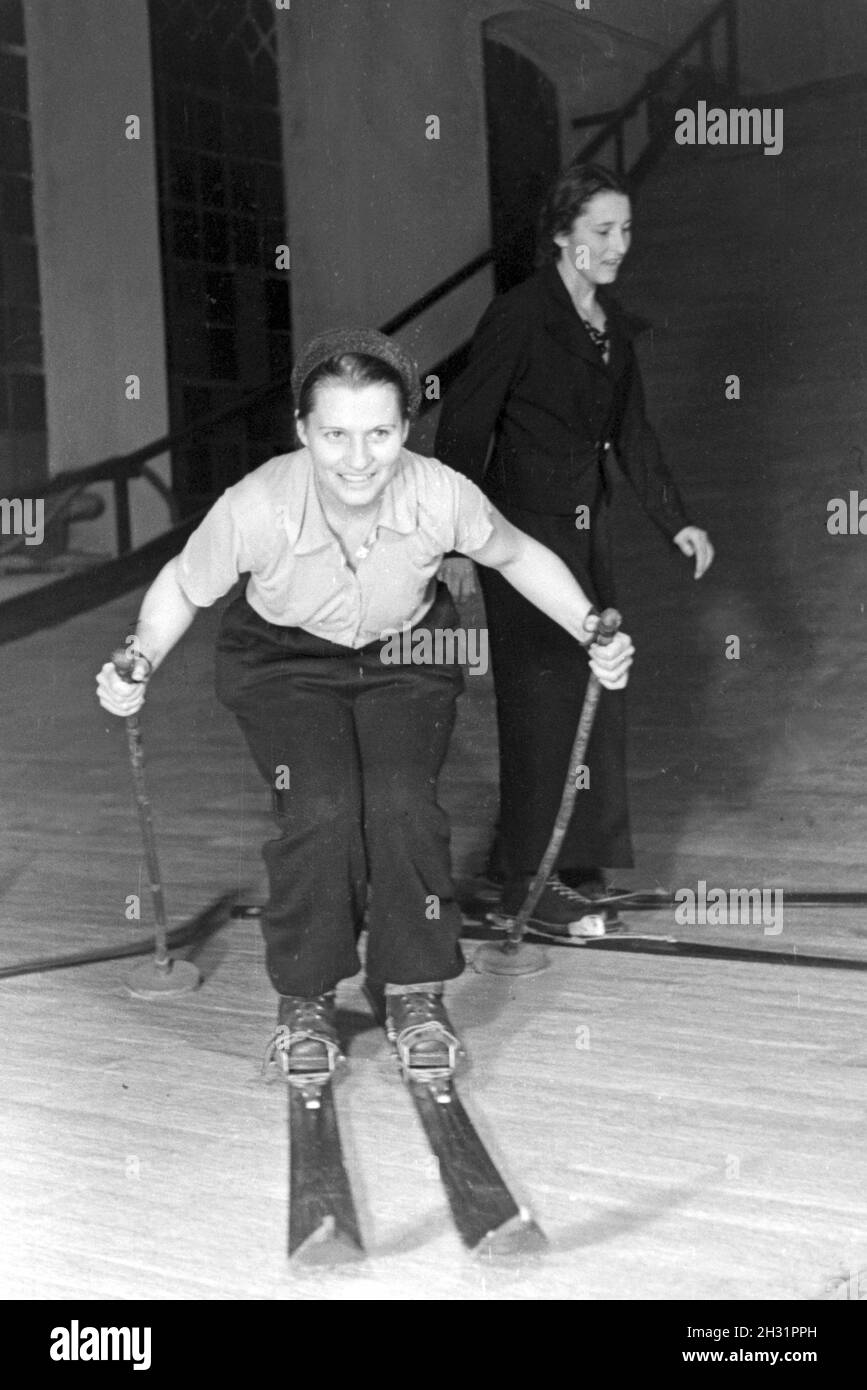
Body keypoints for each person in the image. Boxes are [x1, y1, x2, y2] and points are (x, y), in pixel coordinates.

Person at [96, 328, 634, 1080]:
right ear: (302, 432)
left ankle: (414, 989)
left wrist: (587, 626)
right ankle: (307, 997)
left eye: (379, 433)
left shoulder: (439, 491)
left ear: (406, 427)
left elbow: (514, 553)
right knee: (318, 807)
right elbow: (183, 588)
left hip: (407, 654)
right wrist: (140, 658)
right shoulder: (255, 505)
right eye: (335, 435)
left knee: (401, 802)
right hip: (284, 660)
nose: (358, 459)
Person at [435, 162, 714, 938]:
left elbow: (631, 431)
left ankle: (565, 857)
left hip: (587, 533)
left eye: (625, 229)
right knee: (541, 700)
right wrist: (460, 540)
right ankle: (529, 879)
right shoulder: (520, 315)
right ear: (562, 234)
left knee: (593, 693)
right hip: (520, 534)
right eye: (601, 230)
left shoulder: (609, 326)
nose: (618, 244)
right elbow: (463, 424)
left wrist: (675, 520)